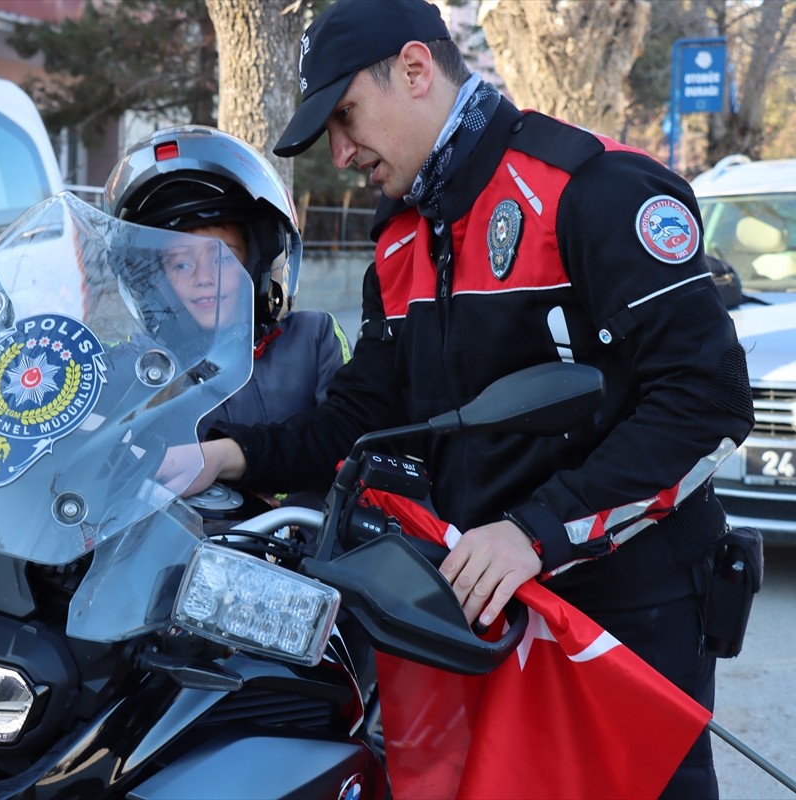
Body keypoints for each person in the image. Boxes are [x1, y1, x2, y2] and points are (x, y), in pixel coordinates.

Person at [188, 1, 755, 796]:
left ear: (416, 69)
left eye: (347, 117)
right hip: (478, 602)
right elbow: (363, 417)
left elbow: (710, 398)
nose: (342, 153)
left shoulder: (591, 188)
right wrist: (223, 454)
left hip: (627, 600)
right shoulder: (397, 240)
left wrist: (537, 530)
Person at [104, 125, 352, 442]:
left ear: (258, 262)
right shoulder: (147, 365)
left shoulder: (315, 339)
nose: (203, 278)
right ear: (158, 282)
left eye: (223, 258)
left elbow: (347, 442)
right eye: (181, 263)